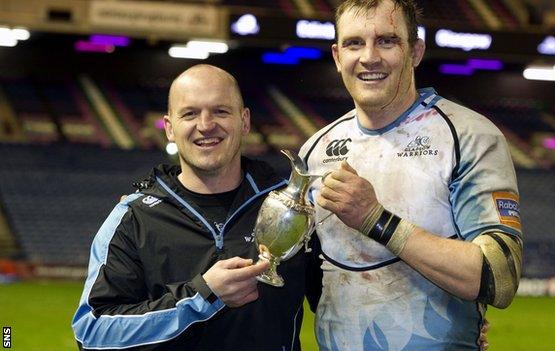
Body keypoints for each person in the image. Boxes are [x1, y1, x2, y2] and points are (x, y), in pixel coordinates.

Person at [298, 0, 523, 349]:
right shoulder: (314, 151)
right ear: (337, 55)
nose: (369, 57)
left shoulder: (469, 136)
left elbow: (500, 274)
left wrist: (376, 219)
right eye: (354, 43)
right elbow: (312, 277)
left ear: (416, 51)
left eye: (387, 41)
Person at [71, 64, 321, 350]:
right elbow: (91, 333)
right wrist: (202, 297)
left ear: (245, 121)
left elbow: (343, 299)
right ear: (169, 128)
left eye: (221, 111)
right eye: (190, 113)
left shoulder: (293, 210)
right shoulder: (133, 217)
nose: (205, 125)